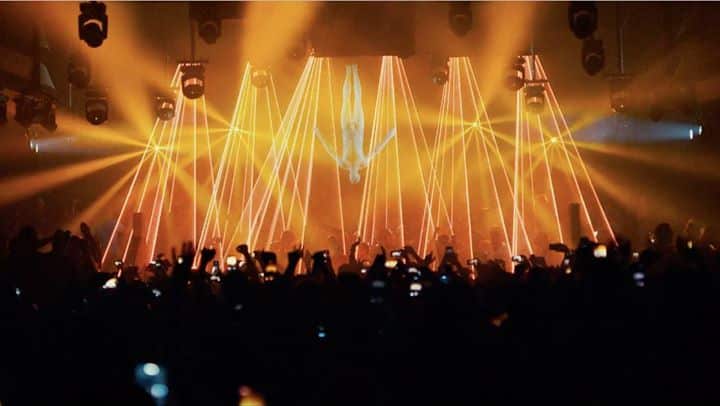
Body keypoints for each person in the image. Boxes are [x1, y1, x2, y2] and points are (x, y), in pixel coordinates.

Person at [314, 64, 396, 184]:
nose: (352, 174)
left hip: (346, 127)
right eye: (354, 176)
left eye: (351, 177)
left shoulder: (343, 163)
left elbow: (330, 149)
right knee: (358, 99)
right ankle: (355, 70)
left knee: (346, 100)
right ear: (357, 174)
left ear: (349, 175)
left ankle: (348, 71)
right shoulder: (363, 162)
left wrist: (318, 134)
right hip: (358, 127)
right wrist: (390, 135)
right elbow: (377, 149)